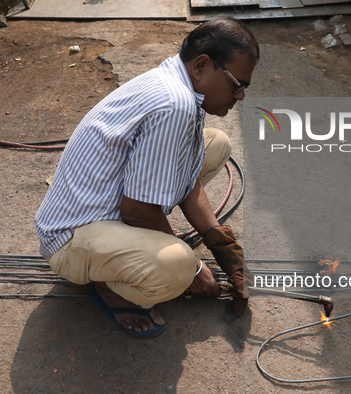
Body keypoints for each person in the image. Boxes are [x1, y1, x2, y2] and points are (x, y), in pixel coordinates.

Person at [35, 17, 258, 338]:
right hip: (70, 237)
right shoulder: (174, 104)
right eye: (237, 84)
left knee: (216, 144)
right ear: (202, 65)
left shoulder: (178, 84)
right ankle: (110, 287)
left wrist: (222, 245)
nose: (240, 96)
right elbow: (137, 210)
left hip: (108, 208)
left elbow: (186, 178)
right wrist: (196, 270)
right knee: (178, 265)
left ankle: (136, 245)